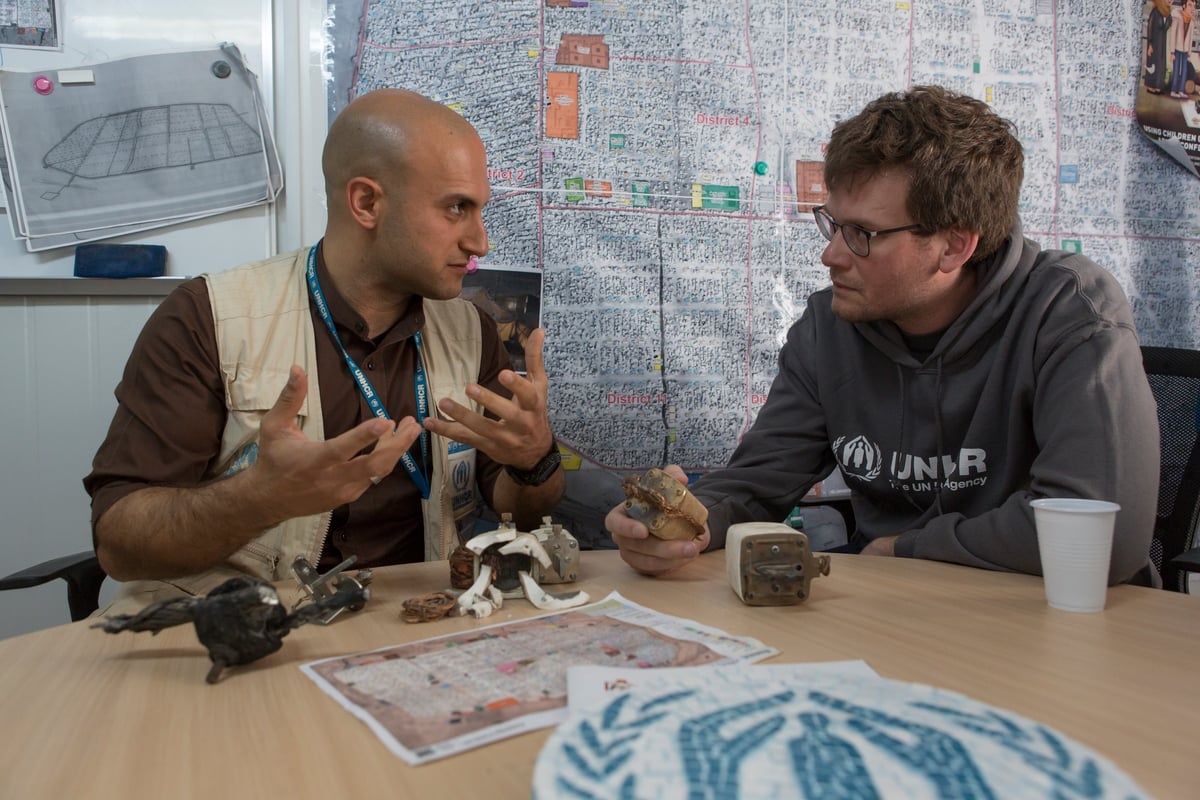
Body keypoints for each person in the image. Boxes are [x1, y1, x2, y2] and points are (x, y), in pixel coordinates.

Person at [606, 86, 1161, 587]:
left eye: (862, 235)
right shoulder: (829, 327)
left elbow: (1102, 533)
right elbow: (756, 484)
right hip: (899, 609)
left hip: (1057, 625)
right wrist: (679, 527)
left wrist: (911, 549)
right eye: (833, 224)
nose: (831, 255)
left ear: (954, 246)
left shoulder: (1072, 312)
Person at [85, 89, 565, 612]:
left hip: (408, 630)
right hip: (243, 633)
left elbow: (513, 506)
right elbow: (120, 545)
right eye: (457, 208)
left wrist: (534, 461)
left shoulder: (470, 331)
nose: (480, 242)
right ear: (366, 203)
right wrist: (258, 498)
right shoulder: (208, 316)